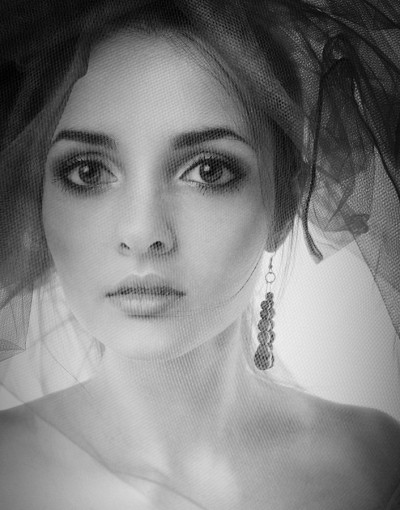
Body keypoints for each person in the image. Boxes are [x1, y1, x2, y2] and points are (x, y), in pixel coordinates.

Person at [0, 1, 400, 508]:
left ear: (284, 203)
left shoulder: (373, 464)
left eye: (208, 171)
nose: (143, 233)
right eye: (88, 171)